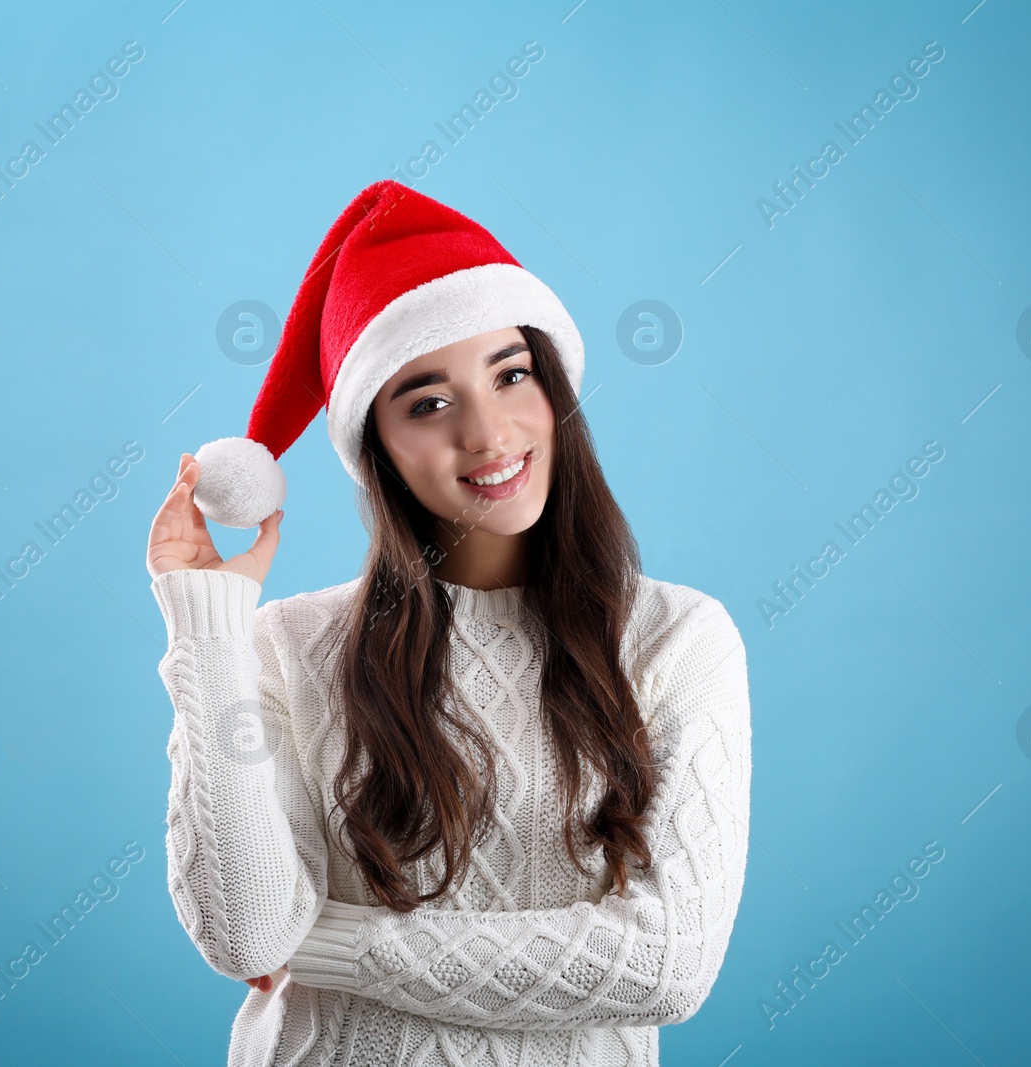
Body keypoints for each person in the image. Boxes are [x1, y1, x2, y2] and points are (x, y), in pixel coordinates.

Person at [143, 179, 751, 1067]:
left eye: (512, 374)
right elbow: (244, 932)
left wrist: (323, 943)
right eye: (428, 402)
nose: (490, 431)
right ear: (376, 448)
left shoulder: (678, 639)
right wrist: (206, 626)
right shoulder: (283, 645)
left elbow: (668, 961)